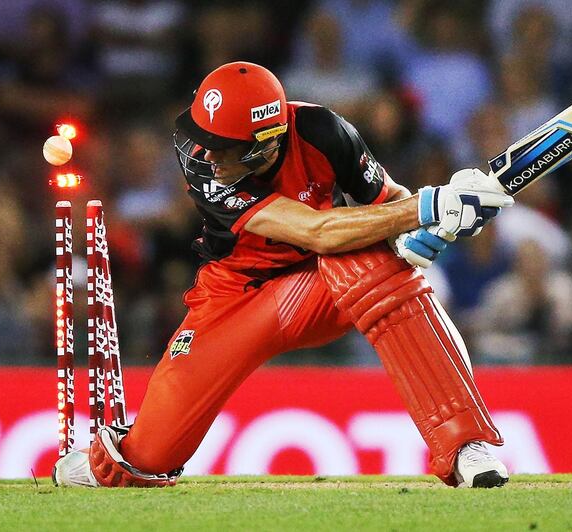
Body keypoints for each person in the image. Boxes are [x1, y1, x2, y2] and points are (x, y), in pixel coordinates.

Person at [52, 61, 515, 489]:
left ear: (268, 141)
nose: (207, 155)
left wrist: (436, 221)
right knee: (149, 457)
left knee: (369, 261)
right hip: (234, 298)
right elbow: (318, 231)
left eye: (224, 148)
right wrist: (428, 207)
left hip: (323, 285)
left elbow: (387, 201)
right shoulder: (201, 162)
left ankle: (464, 445)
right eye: (205, 140)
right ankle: (107, 461)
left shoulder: (323, 132)